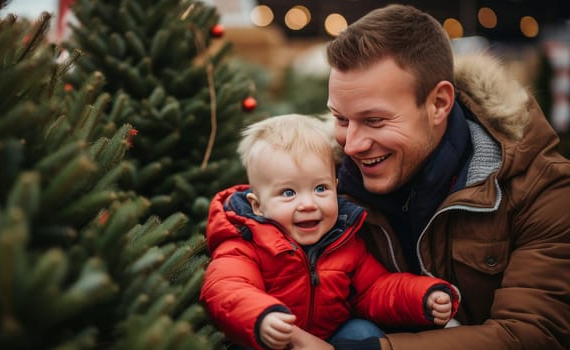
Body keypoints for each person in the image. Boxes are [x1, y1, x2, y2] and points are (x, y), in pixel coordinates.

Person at [291, 4, 570, 350]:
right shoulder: (324, 183)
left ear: (439, 103)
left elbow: (531, 334)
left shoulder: (539, 189)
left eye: (375, 121)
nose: (352, 145)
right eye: (342, 119)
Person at [199, 114, 460, 350]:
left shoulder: (343, 240)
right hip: (275, 339)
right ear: (258, 205)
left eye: (320, 188)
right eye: (288, 193)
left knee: (363, 332)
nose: (309, 204)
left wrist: (422, 297)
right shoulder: (245, 243)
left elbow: (375, 288)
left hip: (329, 339)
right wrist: (262, 316)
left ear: (335, 187)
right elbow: (226, 287)